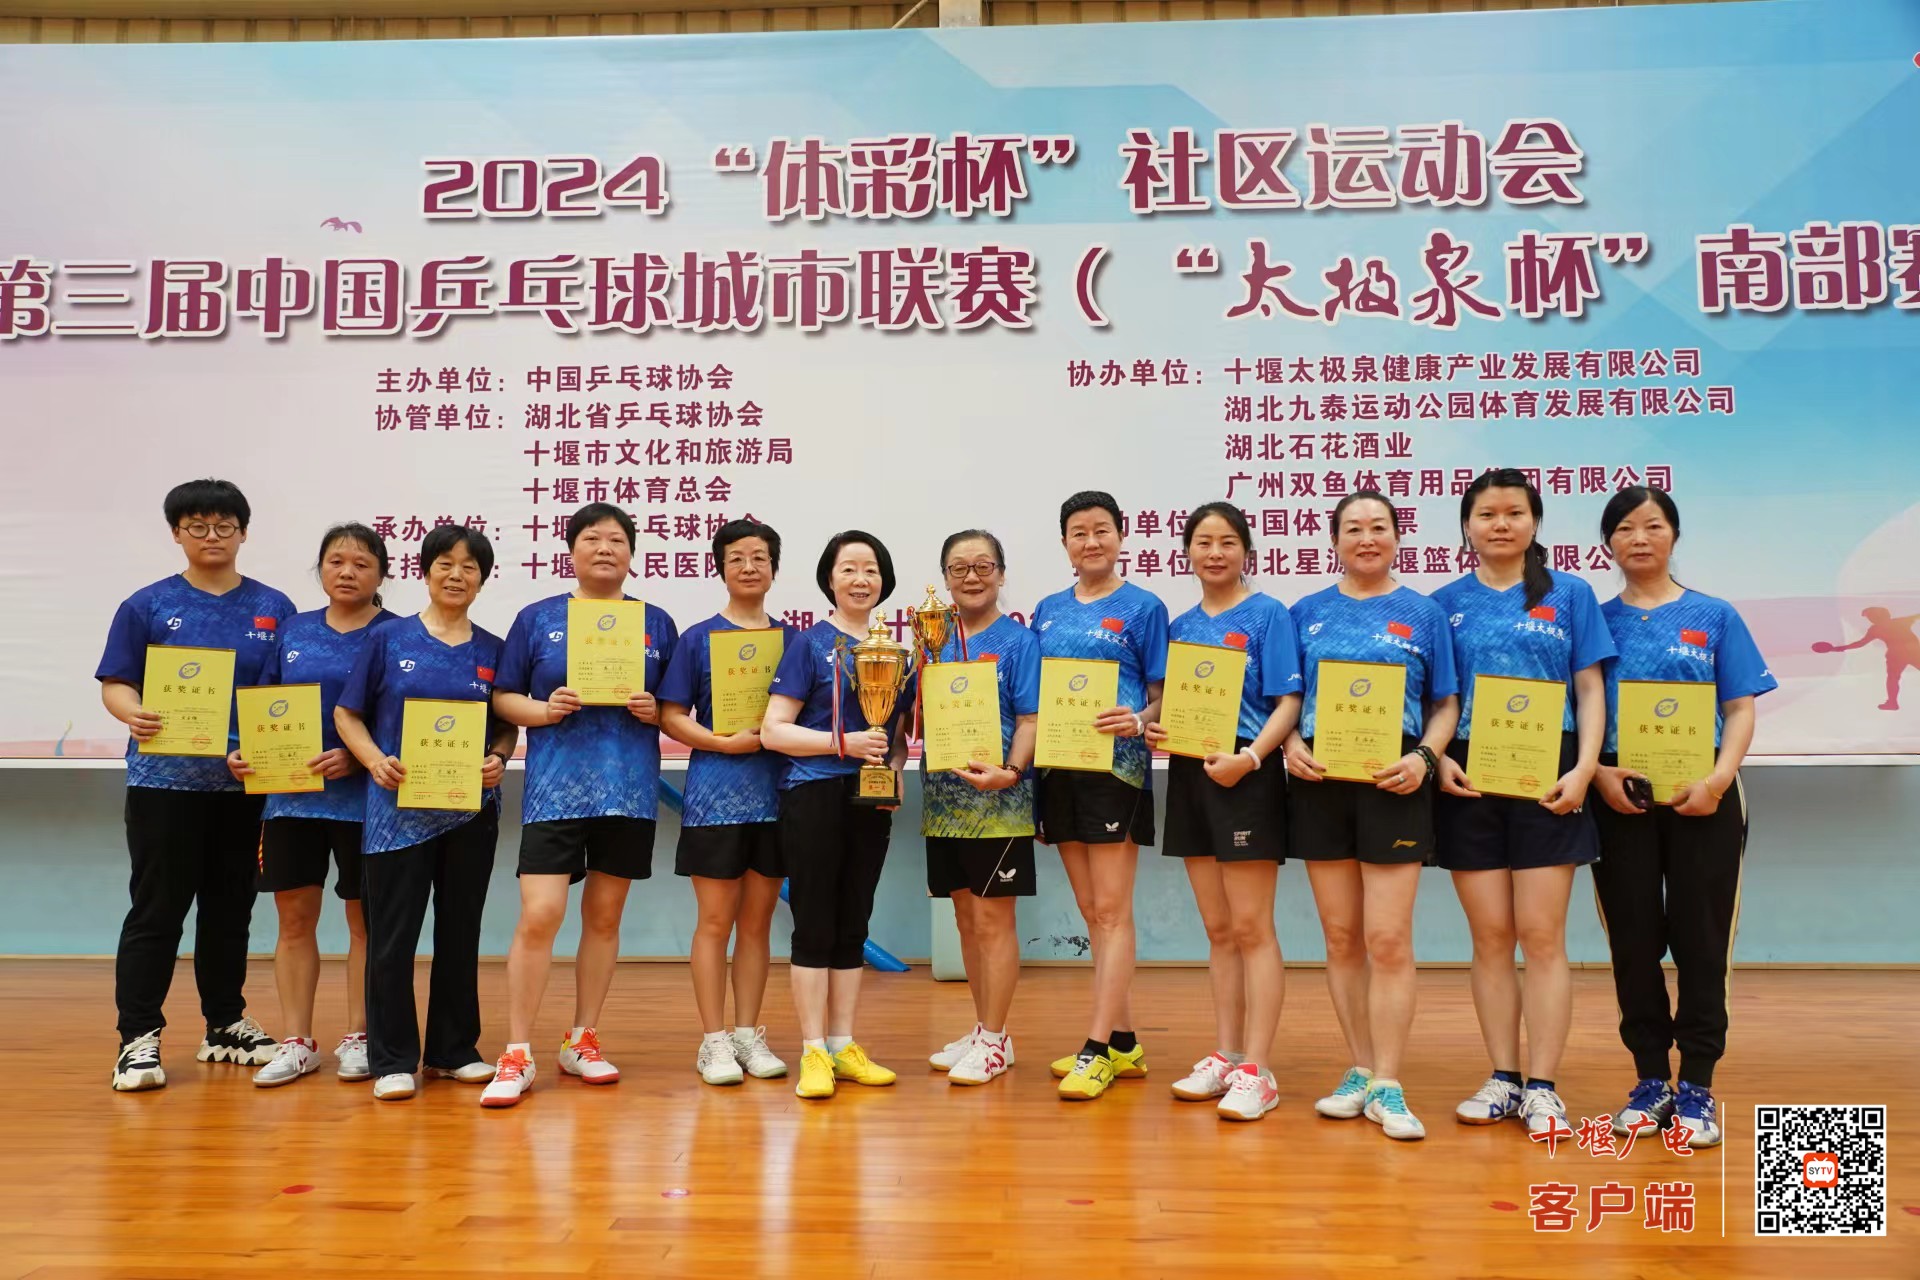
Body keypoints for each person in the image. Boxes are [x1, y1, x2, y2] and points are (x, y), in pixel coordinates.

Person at [1590, 486, 1776, 1149]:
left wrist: (1718, 781)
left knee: (1703, 940)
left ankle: (1697, 1083)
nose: (1639, 538)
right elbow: (1580, 710)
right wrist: (1599, 774)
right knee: (1633, 940)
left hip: (1706, 796)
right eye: (1625, 528)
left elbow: (1741, 707)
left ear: (1674, 535)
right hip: (1620, 798)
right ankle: (1650, 1080)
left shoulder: (1714, 615)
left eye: (1653, 525)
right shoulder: (1594, 622)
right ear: (1607, 544)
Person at [1430, 469, 1614, 1136]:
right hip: (1470, 776)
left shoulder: (1571, 594)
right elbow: (1439, 698)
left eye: (1514, 512)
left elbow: (1589, 689)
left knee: (1541, 936)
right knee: (1489, 937)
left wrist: (1585, 769)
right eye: (1487, 514)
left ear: (1535, 521)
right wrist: (1439, 759)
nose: (1501, 524)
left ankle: (1543, 1087)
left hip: (1550, 774)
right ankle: (1503, 1077)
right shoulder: (1443, 603)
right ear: (1467, 526)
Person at [97, 479, 294, 1091]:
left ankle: (224, 1023)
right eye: (197, 526)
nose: (212, 536)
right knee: (158, 909)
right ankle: (138, 1037)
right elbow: (116, 682)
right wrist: (132, 712)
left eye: (224, 526)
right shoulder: (147, 605)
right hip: (164, 783)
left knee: (231, 909)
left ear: (243, 533)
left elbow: (287, 697)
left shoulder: (275, 607)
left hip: (245, 787)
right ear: (177, 533)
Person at [478, 504, 678, 1107]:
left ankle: (582, 1038)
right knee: (540, 915)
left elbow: (677, 706)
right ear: (571, 550)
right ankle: (517, 1051)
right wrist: (545, 710)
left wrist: (655, 711)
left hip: (629, 789)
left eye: (617, 540)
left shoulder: (656, 622)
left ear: (632, 553)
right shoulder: (538, 618)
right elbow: (503, 697)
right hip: (555, 790)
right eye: (592, 538)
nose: (605, 548)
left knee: (605, 919)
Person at [1285, 491, 1459, 1141]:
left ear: (1396, 537)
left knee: (1387, 938)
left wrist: (1424, 757)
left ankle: (1389, 1081)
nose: (1366, 538)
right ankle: (1359, 1068)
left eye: (1378, 527)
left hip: (1396, 780)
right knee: (1340, 937)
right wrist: (1290, 745)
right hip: (1321, 783)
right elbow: (1285, 699)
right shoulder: (1305, 613)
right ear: (1333, 540)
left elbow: (1445, 704)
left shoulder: (1424, 613)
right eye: (1353, 528)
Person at [335, 525, 518, 1102]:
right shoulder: (388, 639)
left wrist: (498, 758)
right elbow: (347, 714)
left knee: (460, 934)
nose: (456, 575)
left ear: (483, 579)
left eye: (470, 567)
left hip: (469, 814)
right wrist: (373, 760)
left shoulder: (494, 650)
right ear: (425, 571)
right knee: (391, 939)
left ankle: (452, 1050)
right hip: (396, 815)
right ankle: (392, 1058)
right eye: (445, 564)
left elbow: (506, 725)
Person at [1145, 503, 1301, 1122]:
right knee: (1218, 929)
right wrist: (1152, 725)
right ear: (1187, 552)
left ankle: (1259, 1070)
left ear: (1246, 551)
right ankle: (1228, 1054)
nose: (1215, 552)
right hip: (1191, 775)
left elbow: (1288, 701)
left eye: (1228, 542)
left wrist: (1253, 758)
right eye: (1204, 542)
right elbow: (1168, 705)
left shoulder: (1268, 615)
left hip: (1246, 774)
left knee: (1252, 928)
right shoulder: (1181, 625)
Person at [230, 524, 397, 1087]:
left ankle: (361, 1036)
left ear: (383, 574)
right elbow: (264, 705)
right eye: (336, 561)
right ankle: (297, 1041)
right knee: (295, 921)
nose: (347, 572)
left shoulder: (398, 634)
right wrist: (245, 752)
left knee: (364, 923)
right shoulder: (294, 630)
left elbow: (404, 717)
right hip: (292, 804)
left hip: (368, 805)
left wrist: (360, 757)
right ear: (320, 568)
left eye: (361, 563)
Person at [762, 532, 913, 1100]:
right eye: (848, 568)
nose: (860, 579)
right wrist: (841, 743)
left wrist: (893, 769)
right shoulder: (808, 645)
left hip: (869, 800)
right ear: (830, 579)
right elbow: (774, 731)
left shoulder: (896, 652)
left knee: (854, 921)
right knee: (815, 923)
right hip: (814, 793)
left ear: (884, 580)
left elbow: (895, 735)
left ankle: (844, 1044)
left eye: (870, 569)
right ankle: (812, 1050)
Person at [1034, 491, 1168, 1102]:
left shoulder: (1144, 607)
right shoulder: (1047, 610)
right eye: (1079, 532)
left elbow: (1166, 698)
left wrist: (1138, 720)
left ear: (1120, 536)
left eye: (1101, 530)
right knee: (1093, 912)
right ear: (1065, 542)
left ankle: (1095, 1050)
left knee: (1112, 912)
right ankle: (1123, 1042)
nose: (1091, 542)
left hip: (1118, 772)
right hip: (1059, 770)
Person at [657, 519, 796, 1086]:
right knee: (715, 922)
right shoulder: (697, 639)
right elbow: (671, 716)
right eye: (736, 557)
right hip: (715, 797)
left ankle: (747, 1035)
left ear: (774, 569)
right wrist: (720, 743)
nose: (748, 566)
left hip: (777, 797)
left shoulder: (794, 642)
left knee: (758, 924)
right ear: (720, 568)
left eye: (759, 557)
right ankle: (713, 1040)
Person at [921, 530, 1041, 1088]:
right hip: (944, 805)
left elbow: (1030, 719)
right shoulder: (931, 640)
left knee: (994, 922)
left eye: (983, 566)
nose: (971, 576)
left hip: (1000, 803)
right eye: (959, 567)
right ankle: (987, 1031)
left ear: (1001, 573)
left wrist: (1010, 772)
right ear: (946, 578)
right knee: (966, 920)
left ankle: (993, 1038)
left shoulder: (1019, 641)